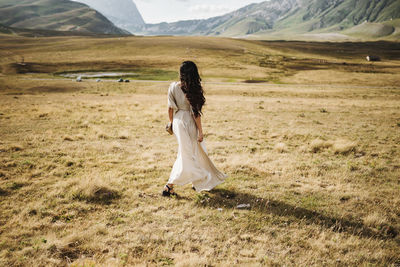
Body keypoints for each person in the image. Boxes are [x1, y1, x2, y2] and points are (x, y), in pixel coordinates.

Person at [162, 61, 227, 197]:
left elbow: (170, 108)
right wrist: (201, 132)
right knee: (188, 153)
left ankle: (194, 181)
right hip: (189, 122)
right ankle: (170, 185)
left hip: (178, 120)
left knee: (185, 151)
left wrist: (171, 122)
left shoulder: (173, 86)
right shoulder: (194, 89)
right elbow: (196, 114)